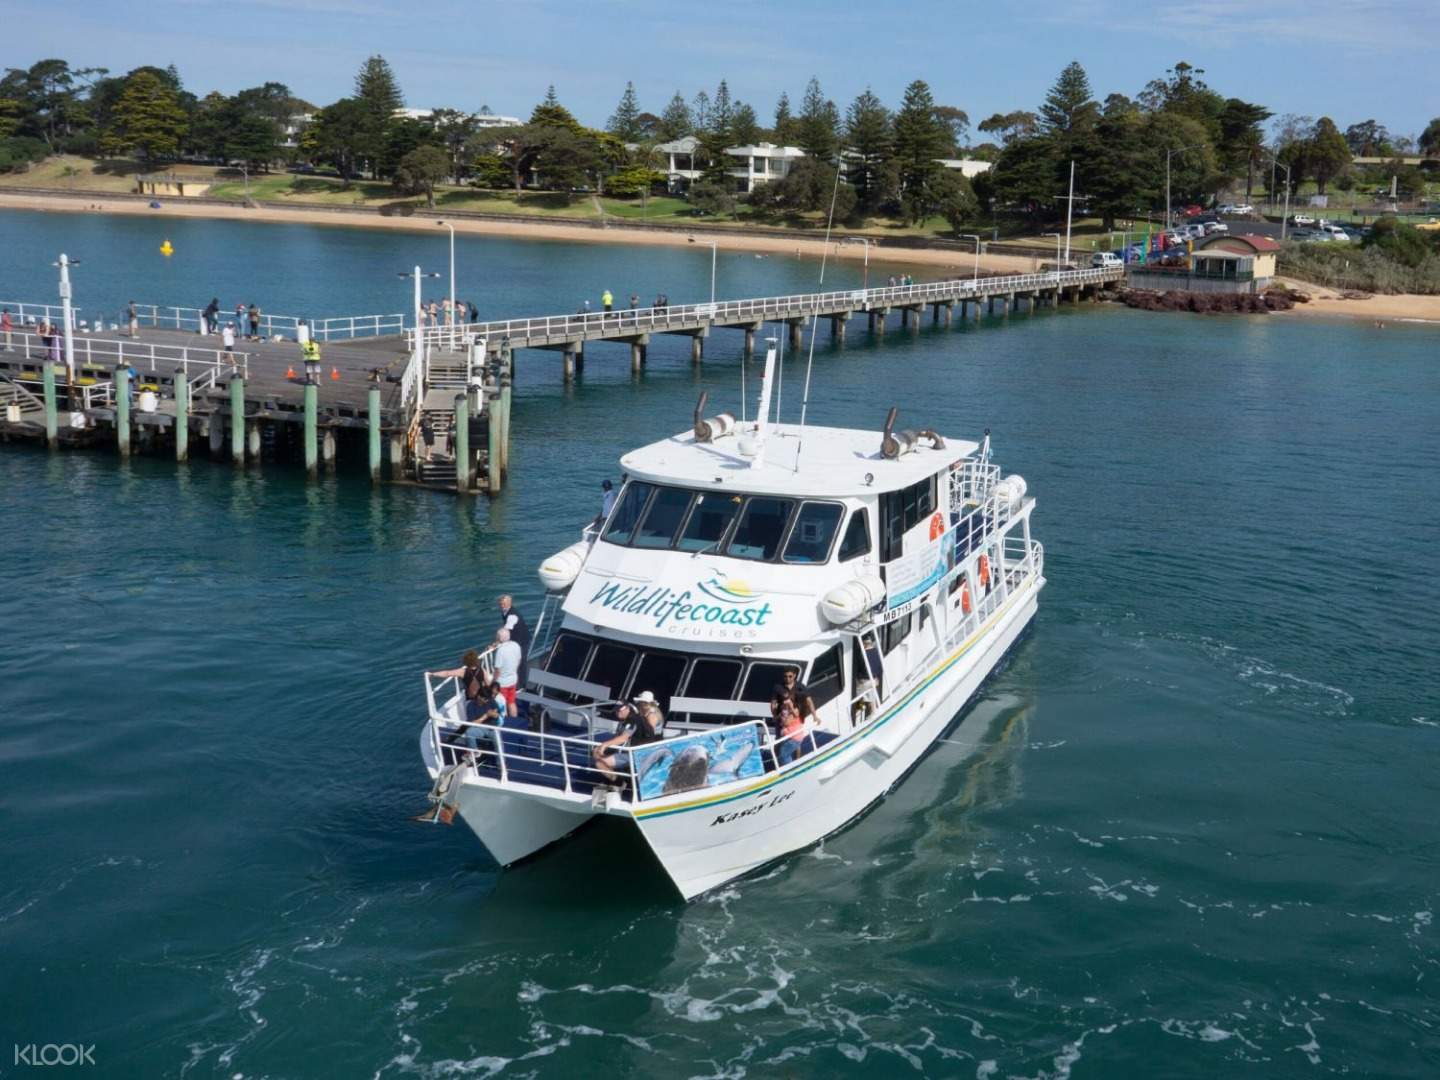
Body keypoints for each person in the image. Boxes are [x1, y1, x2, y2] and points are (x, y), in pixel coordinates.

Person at [592, 698, 663, 784]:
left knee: (600, 763)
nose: (617, 712)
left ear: (627, 708)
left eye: (620, 710)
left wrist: (604, 745)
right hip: (635, 752)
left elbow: (624, 738)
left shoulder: (633, 720)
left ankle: (619, 782)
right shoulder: (633, 719)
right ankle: (617, 779)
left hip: (636, 754)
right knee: (596, 753)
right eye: (616, 710)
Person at [497, 594, 530, 689]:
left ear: (509, 603)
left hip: (522, 641)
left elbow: (506, 629)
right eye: (500, 603)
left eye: (503, 603)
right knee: (516, 661)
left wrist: (496, 643)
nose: (501, 605)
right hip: (516, 641)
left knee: (522, 662)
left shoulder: (512, 615)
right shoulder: (505, 612)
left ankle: (522, 685)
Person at [492, 627, 522, 719]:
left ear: (500, 638)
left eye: (497, 636)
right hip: (513, 679)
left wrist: (494, 682)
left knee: (502, 704)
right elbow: (519, 660)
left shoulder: (500, 651)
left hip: (503, 683)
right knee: (511, 702)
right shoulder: (515, 645)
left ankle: (504, 723)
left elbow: (498, 670)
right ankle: (514, 720)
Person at [775, 699, 808, 766]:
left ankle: (788, 769)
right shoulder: (793, 711)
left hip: (793, 738)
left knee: (784, 755)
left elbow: (786, 723)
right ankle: (791, 766)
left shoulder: (794, 712)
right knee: (784, 754)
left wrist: (782, 719)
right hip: (794, 737)